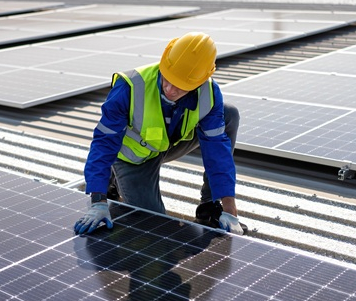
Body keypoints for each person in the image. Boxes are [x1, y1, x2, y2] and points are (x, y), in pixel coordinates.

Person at [73, 31, 247, 236]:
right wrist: (98, 200)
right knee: (155, 226)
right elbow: (104, 143)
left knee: (229, 114)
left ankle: (209, 207)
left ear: (200, 81)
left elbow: (217, 151)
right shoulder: (130, 87)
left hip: (168, 144)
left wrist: (230, 208)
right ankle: (111, 181)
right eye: (168, 78)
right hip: (134, 158)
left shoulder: (209, 93)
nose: (171, 90)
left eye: (181, 86)